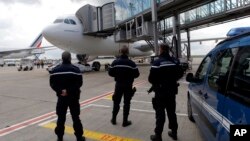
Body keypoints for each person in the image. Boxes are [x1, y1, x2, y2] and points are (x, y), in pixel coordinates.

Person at [148, 44, 184, 141]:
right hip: (172, 91)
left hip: (160, 92)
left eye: (159, 49)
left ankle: (158, 136)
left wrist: (159, 83)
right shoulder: (175, 61)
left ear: (162, 50)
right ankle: (174, 133)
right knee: (172, 113)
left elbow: (151, 79)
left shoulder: (157, 63)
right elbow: (180, 73)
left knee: (160, 114)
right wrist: (172, 81)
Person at [50, 51, 85, 141]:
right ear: (70, 58)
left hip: (61, 98)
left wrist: (61, 91)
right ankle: (79, 137)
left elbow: (52, 84)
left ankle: (60, 137)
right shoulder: (75, 70)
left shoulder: (55, 70)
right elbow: (79, 84)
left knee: (61, 118)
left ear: (62, 58)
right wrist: (68, 91)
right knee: (76, 118)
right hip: (73, 98)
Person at [108, 45, 140, 127]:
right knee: (127, 103)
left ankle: (114, 119)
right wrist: (130, 76)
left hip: (118, 85)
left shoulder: (115, 62)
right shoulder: (132, 63)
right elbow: (137, 74)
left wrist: (118, 75)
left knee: (116, 102)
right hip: (128, 85)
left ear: (120, 52)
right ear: (128, 52)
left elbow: (110, 73)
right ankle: (125, 121)